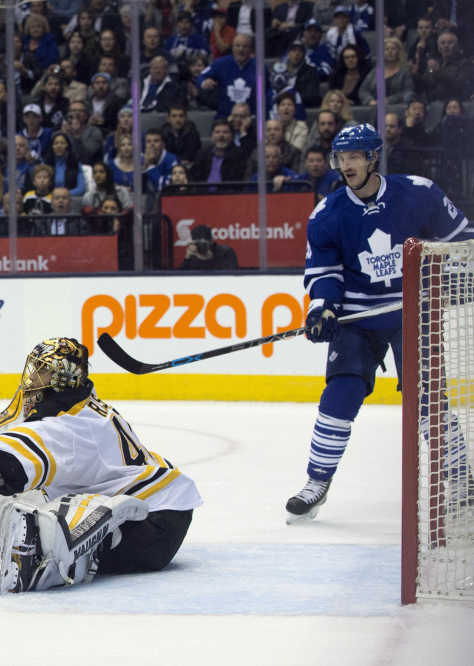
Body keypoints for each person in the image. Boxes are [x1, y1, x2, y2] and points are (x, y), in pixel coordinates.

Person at [0, 337, 202, 593]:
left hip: (145, 532)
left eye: (39, 373)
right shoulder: (86, 405)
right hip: (165, 512)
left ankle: (55, 561)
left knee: (25, 509)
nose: (31, 381)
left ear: (60, 378)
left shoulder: (63, 428)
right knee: (21, 494)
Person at [286, 124, 474, 525]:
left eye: (355, 157)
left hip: (413, 312)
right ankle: (317, 481)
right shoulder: (329, 212)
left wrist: (456, 277)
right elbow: (324, 271)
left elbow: (463, 241)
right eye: (341, 158)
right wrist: (322, 307)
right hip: (358, 320)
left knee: (427, 398)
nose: (346, 165)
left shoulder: (418, 193)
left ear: (374, 158)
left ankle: (459, 480)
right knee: (340, 393)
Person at [196, 33, 255, 119]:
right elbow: (201, 77)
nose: (241, 49)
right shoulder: (221, 63)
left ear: (250, 49)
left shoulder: (259, 67)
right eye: (237, 46)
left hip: (249, 118)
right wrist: (204, 82)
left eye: (244, 46)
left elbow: (267, 91)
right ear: (232, 48)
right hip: (224, 118)